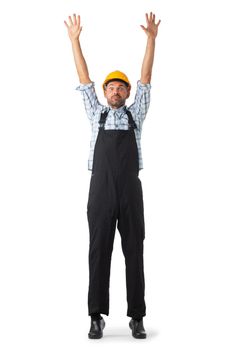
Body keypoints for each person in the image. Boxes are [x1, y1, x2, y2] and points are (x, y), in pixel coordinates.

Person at [64, 11, 161, 339]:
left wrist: (151, 40)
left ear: (127, 93)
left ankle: (137, 315)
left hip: (130, 190)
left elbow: (146, 78)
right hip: (101, 189)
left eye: (121, 87)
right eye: (112, 87)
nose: (116, 91)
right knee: (98, 250)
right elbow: (83, 78)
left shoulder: (137, 114)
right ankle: (95, 316)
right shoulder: (96, 113)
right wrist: (75, 41)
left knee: (135, 249)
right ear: (106, 93)